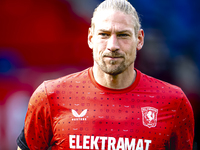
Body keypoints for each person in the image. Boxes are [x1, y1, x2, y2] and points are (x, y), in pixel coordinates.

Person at [16, 0, 194, 149]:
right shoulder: (50, 96)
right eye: (104, 34)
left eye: (123, 35)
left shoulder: (173, 102)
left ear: (139, 39)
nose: (113, 45)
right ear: (90, 38)